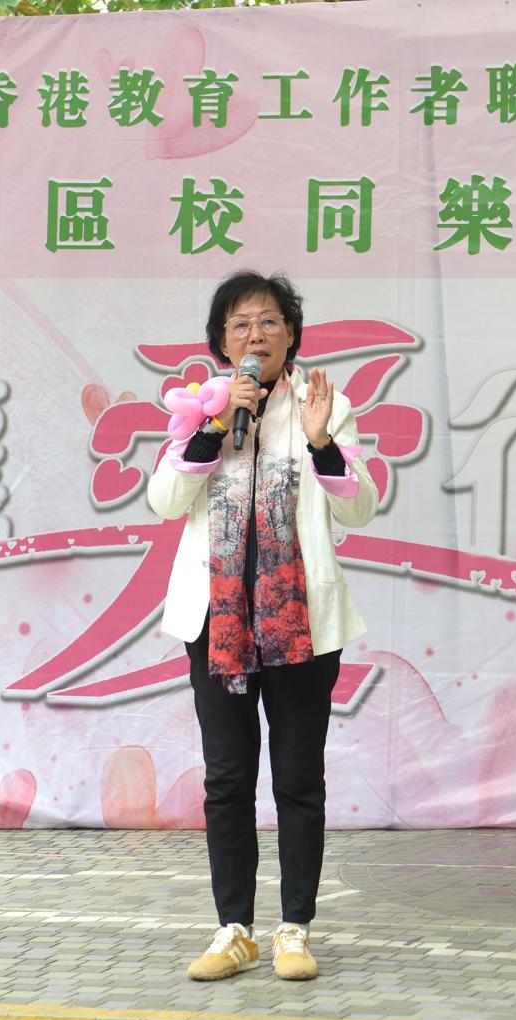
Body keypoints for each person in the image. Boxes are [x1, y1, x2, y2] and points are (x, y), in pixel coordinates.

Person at [146, 271, 378, 981]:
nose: (256, 335)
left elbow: (360, 507)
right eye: (241, 324)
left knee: (298, 778)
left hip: (300, 622)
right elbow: (164, 499)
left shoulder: (322, 405)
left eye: (269, 321)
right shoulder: (207, 408)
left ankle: (294, 928)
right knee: (227, 778)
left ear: (291, 334)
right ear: (222, 342)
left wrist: (322, 443)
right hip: (218, 622)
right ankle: (234, 929)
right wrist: (216, 427)